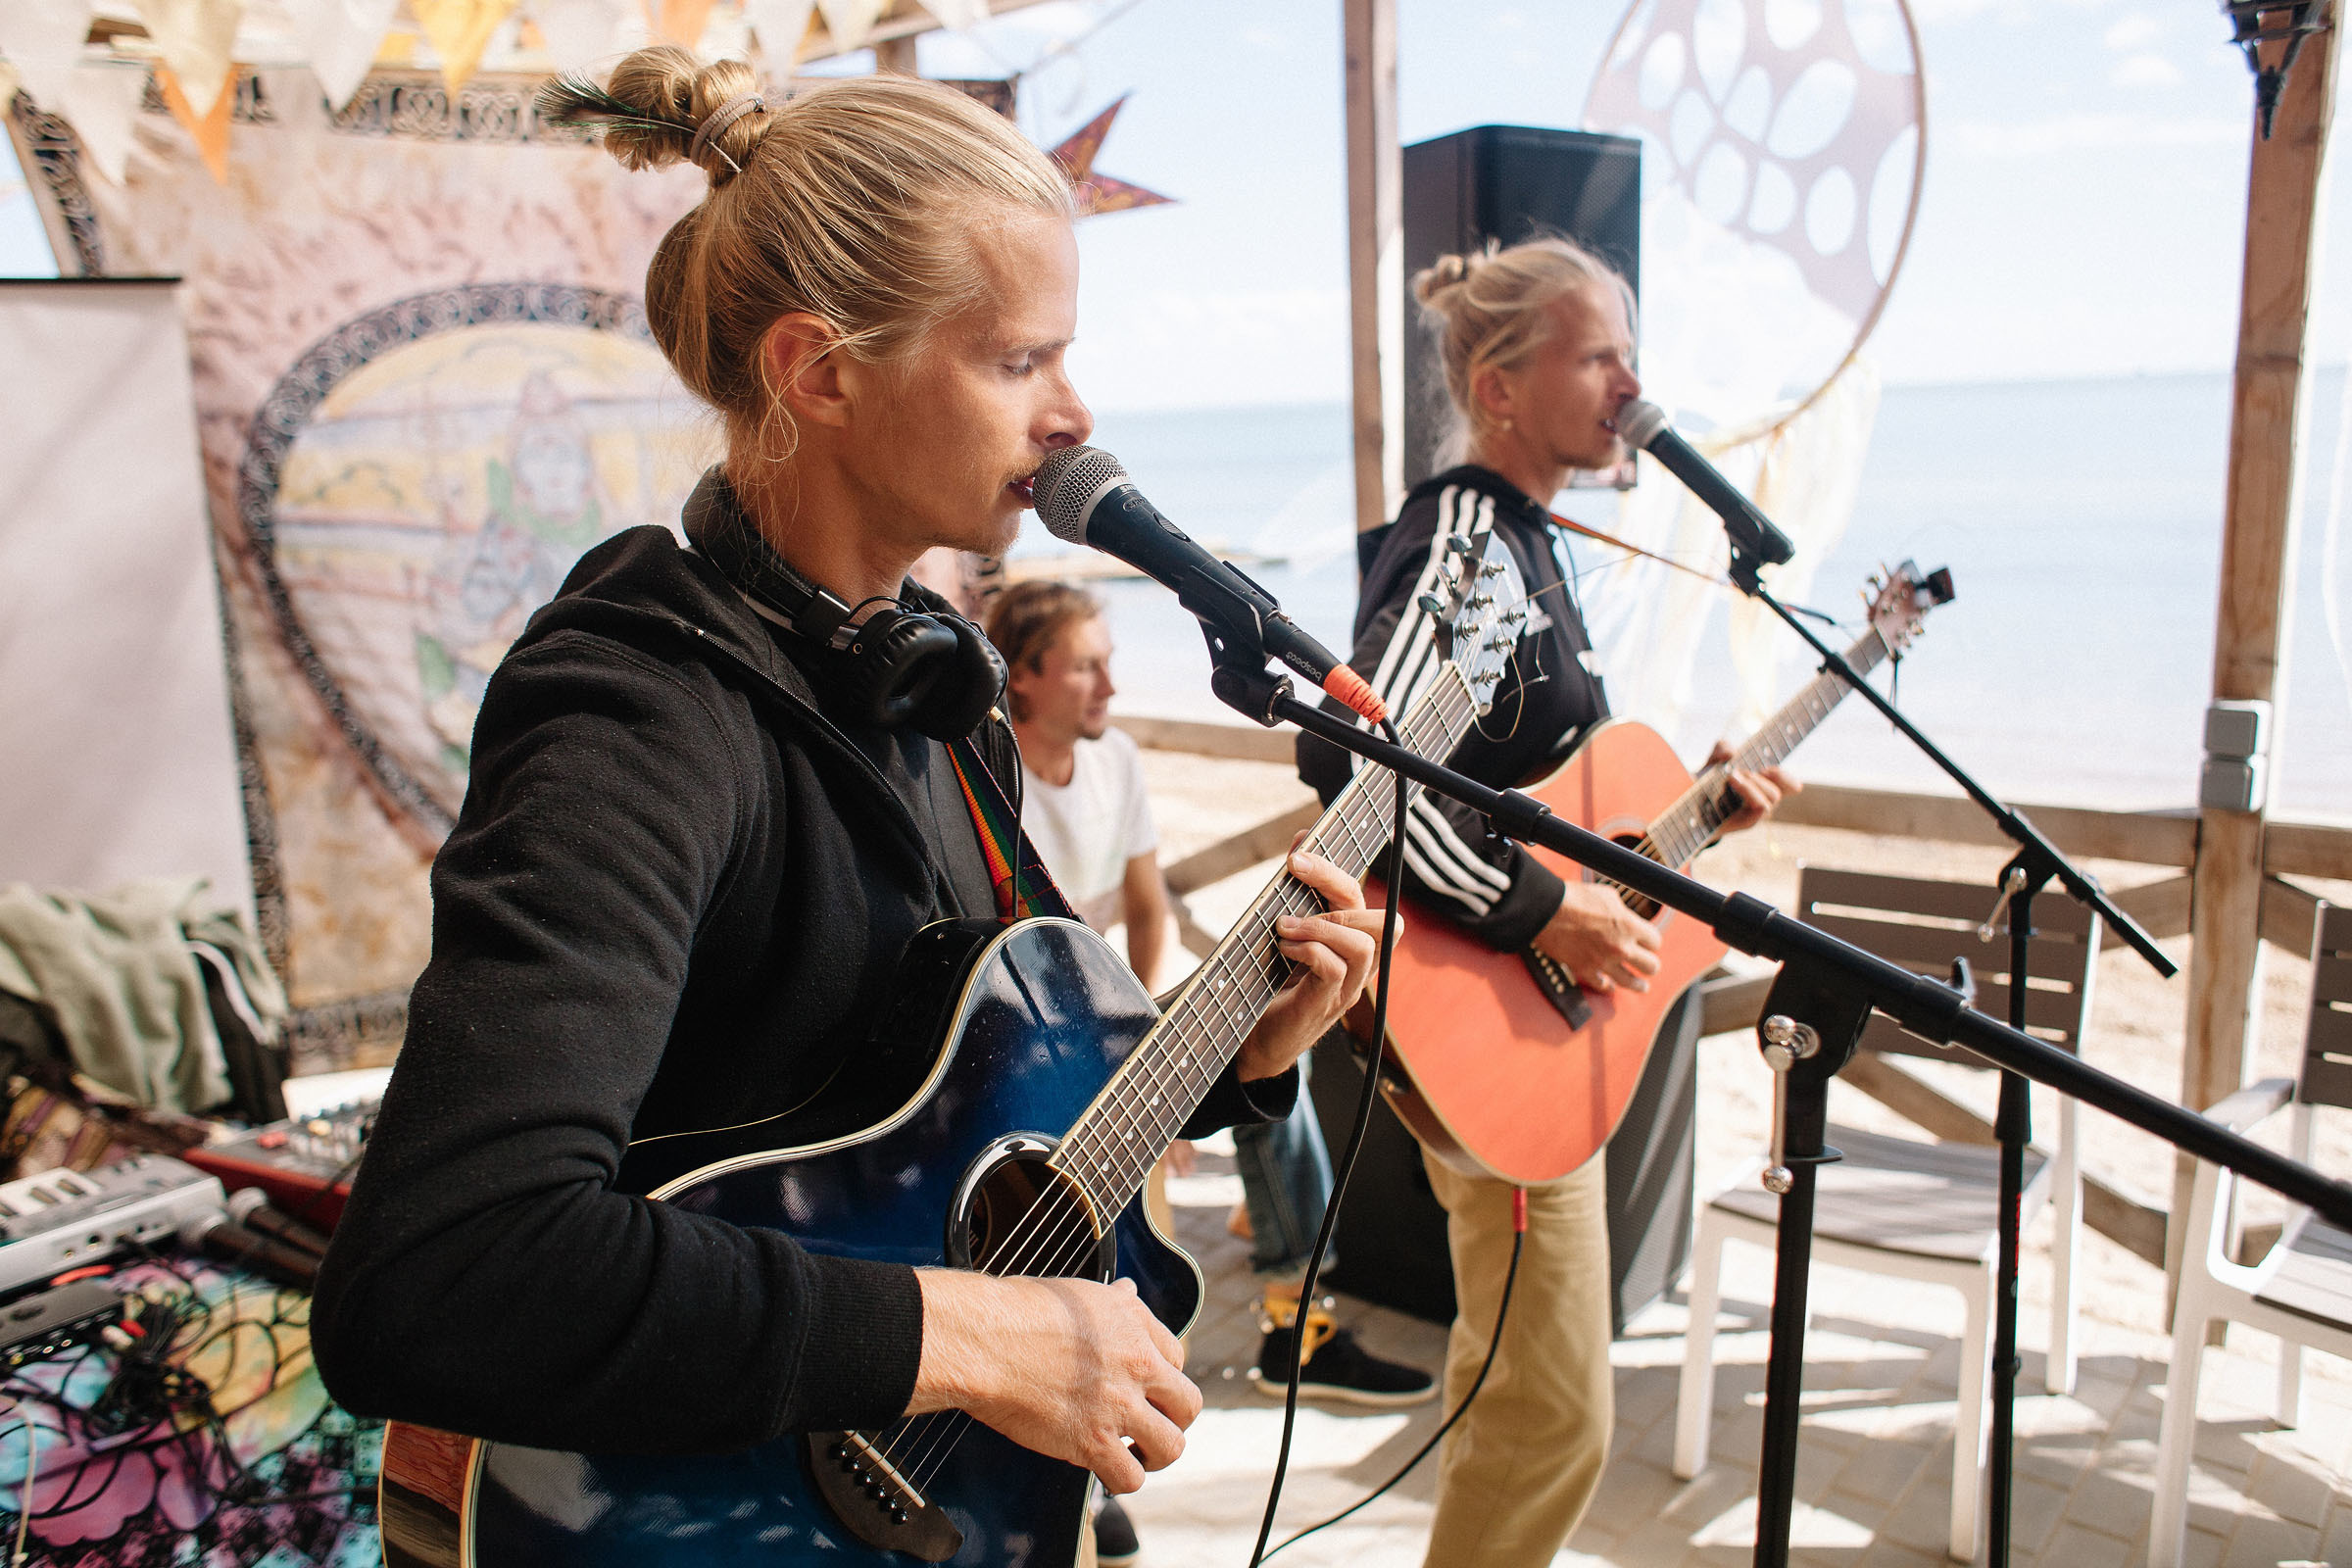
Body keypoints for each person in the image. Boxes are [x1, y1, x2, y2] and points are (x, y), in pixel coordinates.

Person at [312, 45, 1390, 1534]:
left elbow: (983, 1084)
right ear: (820, 372)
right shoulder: (638, 714)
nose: (1075, 413)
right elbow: (443, 1279)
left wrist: (1239, 1058)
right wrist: (962, 1335)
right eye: (1019, 360)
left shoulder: (939, 696)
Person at [1297, 236, 1794, 1568]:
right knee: (1557, 1414)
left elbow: (1515, 787)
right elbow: (1358, 761)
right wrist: (1533, 914)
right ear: (1500, 387)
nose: (1632, 384)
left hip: (1527, 1020)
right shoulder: (1467, 536)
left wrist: (1688, 815)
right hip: (1490, 1022)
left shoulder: (1523, 538)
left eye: (1630, 355)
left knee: (1522, 1393)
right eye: (1599, 357)